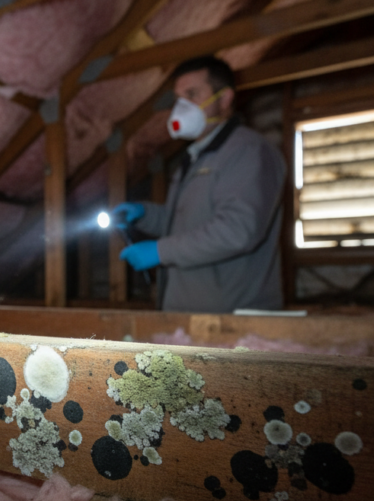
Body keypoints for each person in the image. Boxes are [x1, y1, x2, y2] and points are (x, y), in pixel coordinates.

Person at [115, 56, 286, 313]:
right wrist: (143, 216)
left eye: (192, 94)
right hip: (191, 316)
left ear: (225, 99)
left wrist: (161, 251)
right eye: (178, 98)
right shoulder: (197, 155)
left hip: (233, 322)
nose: (182, 107)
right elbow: (188, 223)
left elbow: (236, 231)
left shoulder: (249, 151)